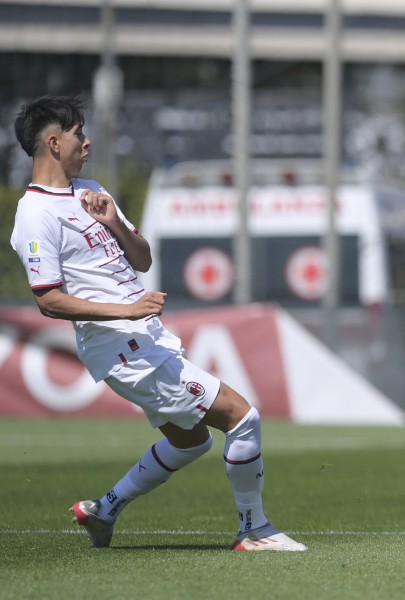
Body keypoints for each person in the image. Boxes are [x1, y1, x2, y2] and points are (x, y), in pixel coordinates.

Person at [10, 95, 307, 552]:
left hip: (145, 339)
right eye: (77, 134)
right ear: (53, 143)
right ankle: (255, 529)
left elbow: (142, 258)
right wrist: (126, 311)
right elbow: (48, 300)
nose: (86, 142)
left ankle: (104, 510)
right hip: (124, 348)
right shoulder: (35, 214)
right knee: (243, 418)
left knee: (190, 442)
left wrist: (115, 223)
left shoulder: (89, 189)